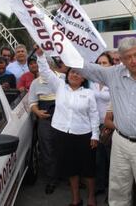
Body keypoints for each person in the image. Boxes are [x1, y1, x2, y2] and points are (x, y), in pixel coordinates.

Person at [73, 37, 136, 206]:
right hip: (120, 142)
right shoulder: (114, 74)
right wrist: (61, 48)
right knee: (118, 192)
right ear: (121, 60)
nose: (134, 60)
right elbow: (86, 68)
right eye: (128, 57)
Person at [35, 47, 100, 206]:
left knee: (88, 170)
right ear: (67, 74)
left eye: (78, 73)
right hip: (62, 133)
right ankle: (76, 198)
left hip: (84, 135)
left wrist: (95, 135)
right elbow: (45, 71)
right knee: (70, 169)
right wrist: (40, 55)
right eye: (72, 72)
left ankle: (91, 198)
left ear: (83, 78)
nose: (74, 75)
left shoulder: (89, 93)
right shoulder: (59, 86)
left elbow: (94, 115)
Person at [28, 57, 65, 195]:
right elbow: (32, 102)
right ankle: (51, 178)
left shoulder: (63, 78)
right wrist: (37, 112)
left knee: (64, 146)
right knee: (47, 148)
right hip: (45, 119)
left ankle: (68, 175)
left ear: (52, 67)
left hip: (63, 117)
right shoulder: (35, 83)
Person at [91, 52, 114, 196]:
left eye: (105, 63)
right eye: (99, 63)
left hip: (110, 126)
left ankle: (113, 192)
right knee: (98, 159)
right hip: (95, 125)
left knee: (112, 160)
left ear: (111, 65)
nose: (101, 66)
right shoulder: (92, 82)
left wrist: (109, 125)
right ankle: (100, 185)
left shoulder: (114, 81)